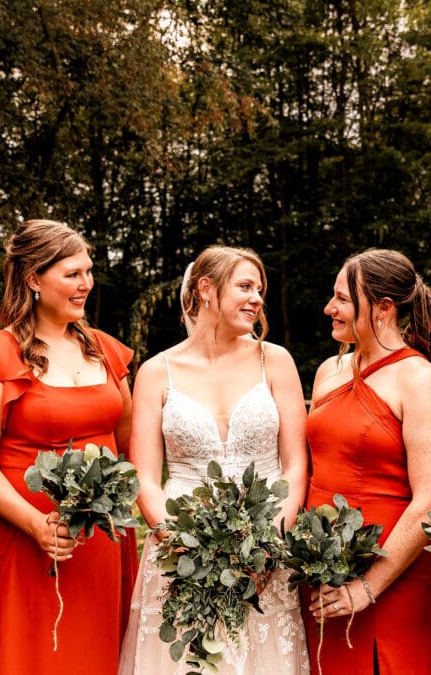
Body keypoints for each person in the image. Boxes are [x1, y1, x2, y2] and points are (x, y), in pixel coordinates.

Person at [0, 219, 136, 674]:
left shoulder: (108, 352)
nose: (86, 284)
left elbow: (127, 446)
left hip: (102, 541)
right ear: (34, 279)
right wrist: (37, 524)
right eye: (72, 274)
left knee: (98, 650)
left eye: (89, 272)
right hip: (25, 535)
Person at [119, 246, 310, 675]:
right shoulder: (155, 371)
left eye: (259, 289)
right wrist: (179, 543)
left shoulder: (275, 361)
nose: (257, 298)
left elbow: (296, 465)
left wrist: (265, 547)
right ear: (206, 289)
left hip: (266, 546)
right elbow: (145, 477)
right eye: (245, 286)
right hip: (180, 549)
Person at [302, 248, 431, 674]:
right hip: (320, 564)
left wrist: (367, 587)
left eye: (343, 299)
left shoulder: (418, 379)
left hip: (388, 569)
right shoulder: (328, 371)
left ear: (384, 308)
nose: (329, 308)